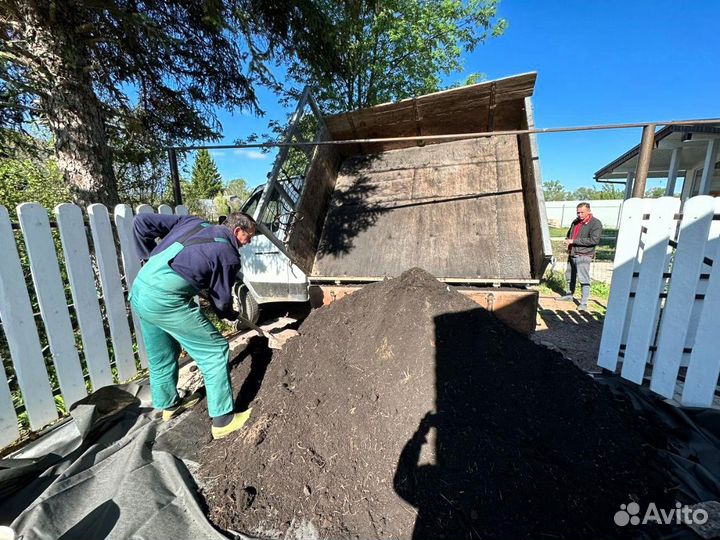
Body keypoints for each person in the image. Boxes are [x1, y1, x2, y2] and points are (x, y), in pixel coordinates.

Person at [129, 211, 256, 439]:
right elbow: (222, 300)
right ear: (237, 231)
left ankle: (169, 406)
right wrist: (229, 314)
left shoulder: (191, 221)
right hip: (165, 299)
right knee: (215, 350)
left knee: (163, 352)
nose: (250, 242)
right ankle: (224, 420)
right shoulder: (228, 254)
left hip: (140, 289)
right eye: (250, 236)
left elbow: (141, 222)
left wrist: (146, 258)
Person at [558, 202, 602, 310]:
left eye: (582, 212)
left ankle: (583, 302)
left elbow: (594, 240)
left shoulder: (595, 223)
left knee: (583, 278)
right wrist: (568, 240)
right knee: (569, 275)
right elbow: (569, 234)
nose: (579, 215)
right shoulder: (575, 222)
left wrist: (574, 241)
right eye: (578, 212)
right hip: (572, 252)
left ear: (589, 211)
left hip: (584, 254)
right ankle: (569, 294)